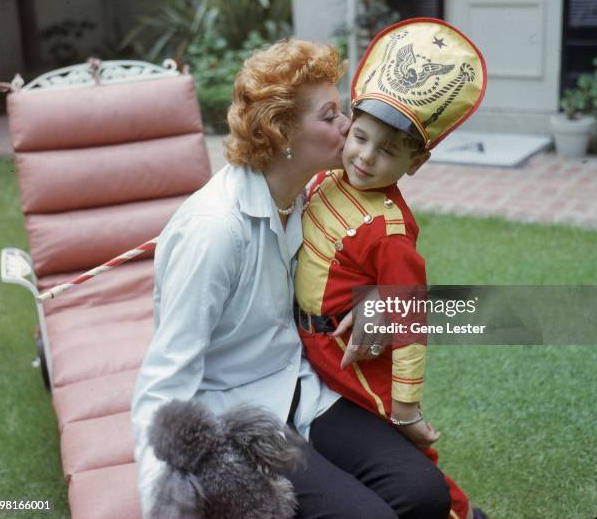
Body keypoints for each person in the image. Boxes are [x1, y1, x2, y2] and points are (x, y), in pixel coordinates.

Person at [131, 37, 451, 518]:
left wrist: (377, 299)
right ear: (281, 133)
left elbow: (360, 265)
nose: (348, 126)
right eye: (329, 116)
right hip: (240, 416)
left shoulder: (311, 195)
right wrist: (162, 499)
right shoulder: (215, 232)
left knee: (425, 494)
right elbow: (163, 380)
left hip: (302, 387)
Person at [294, 18, 488, 519]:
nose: (365, 157)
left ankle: (461, 514)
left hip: (352, 358)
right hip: (311, 347)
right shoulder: (327, 178)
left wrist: (405, 406)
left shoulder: (390, 231)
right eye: (359, 137)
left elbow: (408, 318)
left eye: (388, 152)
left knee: (405, 450)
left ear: (415, 163)